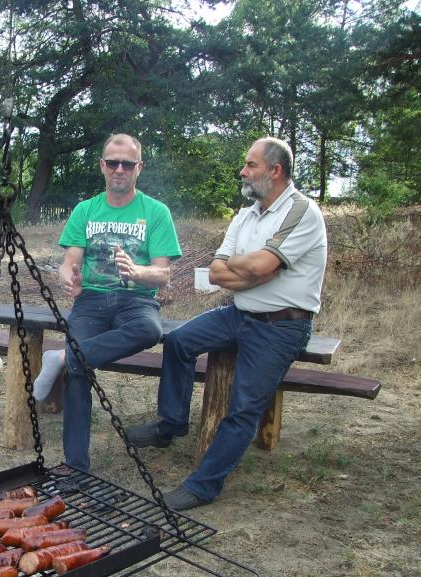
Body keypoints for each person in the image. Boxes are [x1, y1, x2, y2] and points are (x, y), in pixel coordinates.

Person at [125, 137, 327, 511]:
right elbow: (219, 271)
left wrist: (255, 268)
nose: (243, 171)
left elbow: (261, 267)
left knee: (243, 408)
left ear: (275, 170)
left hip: (282, 326)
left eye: (251, 165)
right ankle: (170, 425)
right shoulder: (246, 213)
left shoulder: (301, 212)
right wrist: (252, 272)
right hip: (240, 312)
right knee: (180, 340)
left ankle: (203, 486)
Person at [32, 133, 182, 472]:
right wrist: (68, 277)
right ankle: (76, 467)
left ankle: (61, 356)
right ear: (102, 166)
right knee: (79, 370)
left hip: (136, 301)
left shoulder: (156, 212)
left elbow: (163, 275)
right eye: (112, 162)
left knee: (148, 330)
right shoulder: (86, 210)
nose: (119, 169)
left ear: (138, 168)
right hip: (91, 302)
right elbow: (69, 262)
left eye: (127, 164)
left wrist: (137, 271)